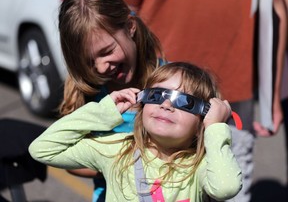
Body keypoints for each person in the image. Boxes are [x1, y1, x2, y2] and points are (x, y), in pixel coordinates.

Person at [110, 0, 287, 201]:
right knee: (149, 185)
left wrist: (272, 96)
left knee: (230, 188)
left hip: (231, 93)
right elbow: (120, 8)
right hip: (161, 90)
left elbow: (274, 5)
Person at [29, 62, 242, 202]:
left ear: (202, 119)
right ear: (142, 103)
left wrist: (215, 128)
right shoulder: (117, 149)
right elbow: (42, 149)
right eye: (157, 95)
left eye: (184, 101)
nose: (166, 104)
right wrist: (103, 111)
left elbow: (226, 188)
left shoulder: (200, 164)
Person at [57, 0, 166, 201]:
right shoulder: (88, 94)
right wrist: (115, 165)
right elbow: (68, 160)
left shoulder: (172, 83)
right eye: (89, 62)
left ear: (130, 27)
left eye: (106, 52)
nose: (100, 68)